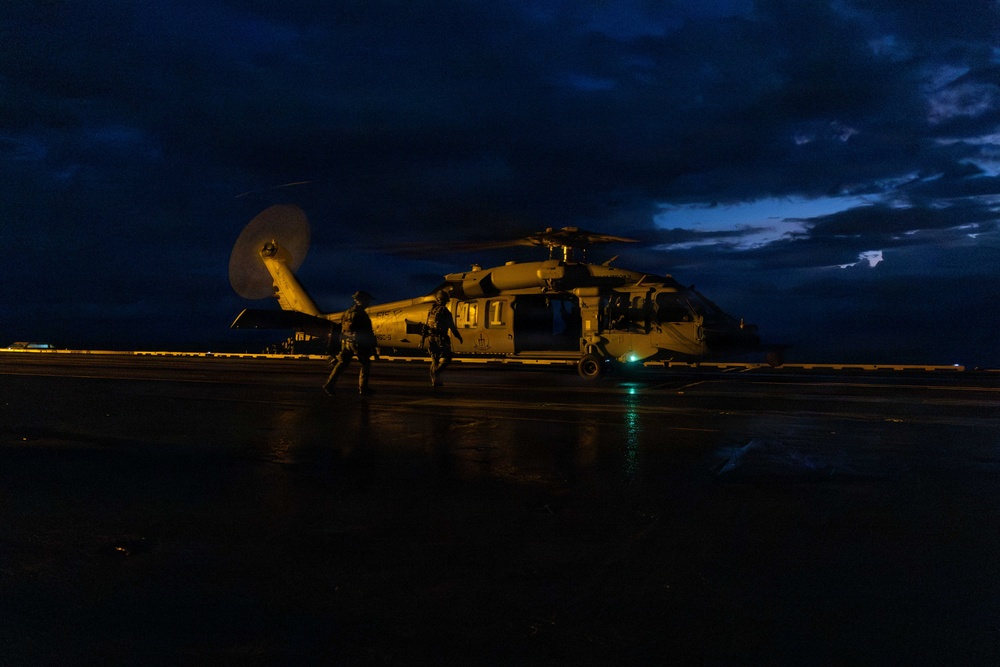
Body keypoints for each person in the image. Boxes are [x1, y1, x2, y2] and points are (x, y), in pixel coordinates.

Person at [323, 290, 378, 396]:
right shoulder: (361, 314)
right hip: (358, 344)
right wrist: (373, 349)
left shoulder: (347, 312)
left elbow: (342, 328)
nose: (368, 303)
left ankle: (329, 385)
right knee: (366, 364)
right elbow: (368, 332)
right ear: (363, 301)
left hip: (346, 343)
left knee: (341, 365)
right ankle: (363, 388)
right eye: (367, 300)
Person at [423, 291, 463, 387]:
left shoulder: (432, 311)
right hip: (441, 339)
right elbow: (452, 327)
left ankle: (435, 380)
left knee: (434, 360)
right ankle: (437, 373)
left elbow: (425, 326)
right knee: (447, 358)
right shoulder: (445, 312)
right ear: (445, 300)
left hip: (431, 338)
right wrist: (459, 337)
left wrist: (423, 340)